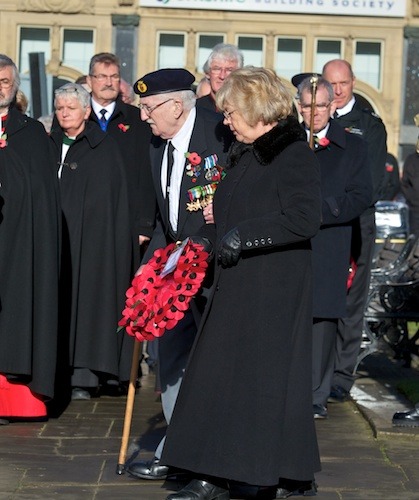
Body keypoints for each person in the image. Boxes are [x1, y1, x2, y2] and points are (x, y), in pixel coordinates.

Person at [160, 66, 322, 500]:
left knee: (264, 385)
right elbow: (226, 217)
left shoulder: (293, 153)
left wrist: (244, 237)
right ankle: (208, 470)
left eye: (230, 112)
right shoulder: (243, 153)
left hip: (274, 290)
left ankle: (279, 472)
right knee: (214, 377)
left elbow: (305, 218)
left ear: (254, 107)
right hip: (236, 285)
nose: (225, 122)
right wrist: (192, 250)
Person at [126, 68, 232, 481]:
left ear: (176, 105)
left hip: (214, 271)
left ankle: (209, 452)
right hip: (171, 271)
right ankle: (177, 449)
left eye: (149, 108)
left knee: (211, 366)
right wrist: (146, 272)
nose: (143, 117)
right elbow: (164, 219)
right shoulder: (156, 142)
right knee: (168, 361)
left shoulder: (220, 134)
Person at [295, 75, 372, 419]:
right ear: (299, 107)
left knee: (323, 323)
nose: (314, 112)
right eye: (308, 106)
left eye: (321, 106)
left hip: (330, 243)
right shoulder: (285, 142)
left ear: (333, 106)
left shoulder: (352, 147)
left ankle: (316, 395)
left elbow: (361, 196)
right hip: (291, 244)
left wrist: (324, 211)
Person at [49, 83, 132, 400]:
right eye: (60, 108)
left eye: (71, 107)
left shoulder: (104, 147)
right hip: (54, 236)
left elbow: (109, 198)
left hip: (91, 240)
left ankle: (84, 373)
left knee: (88, 302)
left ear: (87, 111)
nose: (65, 113)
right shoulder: (48, 143)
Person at [322, 59, 388, 403]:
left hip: (357, 222)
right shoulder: (315, 120)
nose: (336, 91)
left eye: (342, 83)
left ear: (353, 83)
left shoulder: (368, 126)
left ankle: (341, 376)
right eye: (330, 84)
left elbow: (372, 184)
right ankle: (316, 371)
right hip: (322, 222)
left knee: (351, 302)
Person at [0, 54, 60, 424]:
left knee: (17, 314)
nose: (0, 87)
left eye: (6, 81)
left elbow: (41, 190)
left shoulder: (31, 133)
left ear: (15, 85)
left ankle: (12, 399)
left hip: (20, 240)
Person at [85, 53, 156, 274]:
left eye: (114, 76)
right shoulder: (77, 118)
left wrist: (144, 224)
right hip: (85, 221)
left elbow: (147, 174)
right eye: (102, 76)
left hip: (126, 223)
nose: (108, 82)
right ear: (89, 81)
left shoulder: (137, 120)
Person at [196, 43, 243, 113]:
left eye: (229, 70)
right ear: (207, 73)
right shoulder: (194, 108)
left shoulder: (246, 108)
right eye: (217, 69)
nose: (222, 76)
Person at [401, 151, 419, 235]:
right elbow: (404, 183)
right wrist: (411, 199)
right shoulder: (411, 160)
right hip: (415, 208)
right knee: (414, 237)